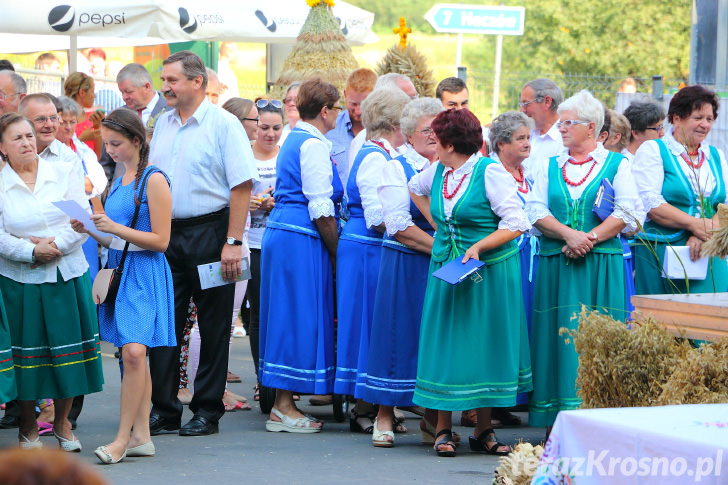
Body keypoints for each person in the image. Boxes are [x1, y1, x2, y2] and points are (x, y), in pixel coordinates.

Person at [408, 108, 531, 457]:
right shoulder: (438, 171)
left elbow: (517, 222)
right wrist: (440, 227)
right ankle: (443, 429)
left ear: (449, 144)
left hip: (487, 271)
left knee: (482, 346)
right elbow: (414, 188)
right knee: (448, 344)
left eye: (436, 140)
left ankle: (483, 429)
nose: (431, 144)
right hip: (449, 267)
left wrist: (478, 245)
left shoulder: (488, 171)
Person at [148, 50, 255, 437]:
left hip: (212, 234)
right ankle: (164, 409)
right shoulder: (162, 124)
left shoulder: (225, 124)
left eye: (171, 80)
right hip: (167, 236)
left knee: (212, 326)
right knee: (165, 325)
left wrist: (232, 241)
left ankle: (207, 410)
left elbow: (242, 185)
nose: (165, 87)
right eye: (163, 80)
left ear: (197, 83)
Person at [526, 90, 642, 432]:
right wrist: (568, 234)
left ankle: (597, 421)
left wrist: (588, 238)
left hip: (600, 266)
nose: (560, 129)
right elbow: (534, 209)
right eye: (560, 122)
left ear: (591, 127)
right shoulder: (548, 165)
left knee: (597, 338)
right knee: (556, 341)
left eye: (568, 123)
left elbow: (627, 211)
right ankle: (555, 421)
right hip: (556, 264)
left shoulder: (618, 164)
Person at [70, 109, 174, 464]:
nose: (109, 150)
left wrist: (111, 228)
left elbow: (160, 241)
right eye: (106, 143)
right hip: (120, 267)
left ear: (136, 140)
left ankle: (122, 438)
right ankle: (141, 436)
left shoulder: (153, 178)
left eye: (116, 143)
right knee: (133, 355)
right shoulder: (121, 175)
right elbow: (117, 237)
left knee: (133, 354)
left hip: (143, 272)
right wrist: (91, 229)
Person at [0, 112, 104, 450]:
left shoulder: (63, 171)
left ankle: (63, 423)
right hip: (20, 280)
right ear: (2, 147)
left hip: (66, 274)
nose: (28, 142)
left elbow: (81, 220)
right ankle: (28, 426)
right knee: (28, 357)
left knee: (66, 355)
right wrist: (29, 252)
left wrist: (54, 246)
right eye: (17, 138)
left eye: (29, 136)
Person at [259, 78, 343, 433]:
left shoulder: (296, 137)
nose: (337, 114)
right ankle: (283, 406)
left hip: (284, 232)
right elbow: (321, 206)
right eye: (336, 108)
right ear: (325, 111)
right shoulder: (312, 144)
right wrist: (337, 252)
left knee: (287, 315)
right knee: (295, 317)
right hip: (300, 237)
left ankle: (283, 402)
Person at [362, 97, 441, 447]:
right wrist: (443, 248)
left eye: (439, 128)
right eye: (427, 129)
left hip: (440, 263)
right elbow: (396, 224)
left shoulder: (452, 168)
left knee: (437, 338)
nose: (434, 135)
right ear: (408, 134)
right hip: (405, 261)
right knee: (395, 337)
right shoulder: (396, 167)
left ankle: (434, 419)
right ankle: (383, 414)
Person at [334, 88, 409, 433]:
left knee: (369, 323)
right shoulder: (376, 156)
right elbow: (377, 214)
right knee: (368, 324)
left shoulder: (377, 151)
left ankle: (369, 402)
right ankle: (362, 405)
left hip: (366, 245)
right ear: (395, 122)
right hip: (367, 246)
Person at [632, 85, 728, 295]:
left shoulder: (716, 156)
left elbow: (725, 205)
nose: (704, 124)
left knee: (713, 319)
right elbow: (651, 203)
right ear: (676, 119)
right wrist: (695, 225)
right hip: (664, 251)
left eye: (709, 119)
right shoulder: (654, 150)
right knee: (666, 321)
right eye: (698, 117)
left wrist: (704, 235)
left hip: (709, 251)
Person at [242, 98, 282, 401]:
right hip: (252, 243)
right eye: (264, 127)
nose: (270, 133)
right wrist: (255, 203)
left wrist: (275, 202)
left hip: (279, 243)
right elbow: (235, 197)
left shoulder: (285, 158)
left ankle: (280, 379)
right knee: (257, 313)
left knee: (279, 312)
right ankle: (262, 379)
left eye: (276, 128)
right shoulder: (245, 158)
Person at [57, 96, 108, 279]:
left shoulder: (82, 150)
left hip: (84, 216)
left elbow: (98, 183)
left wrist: (75, 183)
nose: (68, 127)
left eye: (72, 122)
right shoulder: (47, 151)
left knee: (89, 272)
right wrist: (84, 182)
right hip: (60, 219)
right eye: (63, 122)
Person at [347, 74, 418, 169]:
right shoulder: (366, 141)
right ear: (385, 101)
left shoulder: (418, 131)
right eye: (408, 99)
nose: (416, 103)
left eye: (416, 97)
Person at [326, 68, 377, 184]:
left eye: (364, 104)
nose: (358, 111)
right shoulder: (329, 128)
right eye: (353, 104)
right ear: (345, 95)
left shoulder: (385, 130)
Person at [519, 78, 564, 171]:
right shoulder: (527, 133)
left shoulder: (564, 140)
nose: (522, 110)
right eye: (521, 104)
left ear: (547, 102)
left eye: (526, 104)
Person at [116, 63, 171, 130]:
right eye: (121, 92)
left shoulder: (172, 112)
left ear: (147, 87)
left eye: (129, 92)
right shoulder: (119, 115)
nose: (124, 97)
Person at [64, 72, 104, 158]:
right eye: (92, 91)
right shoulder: (62, 120)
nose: (94, 96)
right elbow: (62, 154)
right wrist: (81, 139)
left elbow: (99, 156)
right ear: (82, 92)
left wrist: (98, 129)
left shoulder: (92, 118)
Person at [278, 81, 302, 146]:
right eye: (288, 100)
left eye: (297, 100)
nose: (291, 103)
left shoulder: (311, 134)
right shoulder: (279, 134)